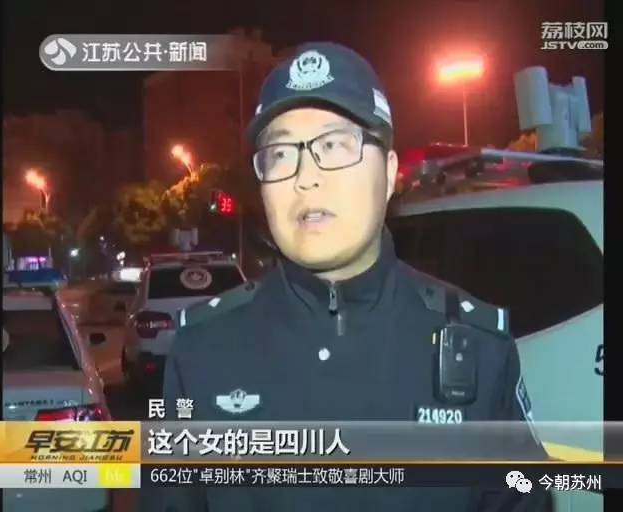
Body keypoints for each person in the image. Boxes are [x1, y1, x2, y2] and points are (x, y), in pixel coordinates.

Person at [143, 41, 551, 511]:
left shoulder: (479, 347)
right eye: (280, 154)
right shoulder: (201, 352)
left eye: (334, 145)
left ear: (390, 173)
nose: (306, 177)